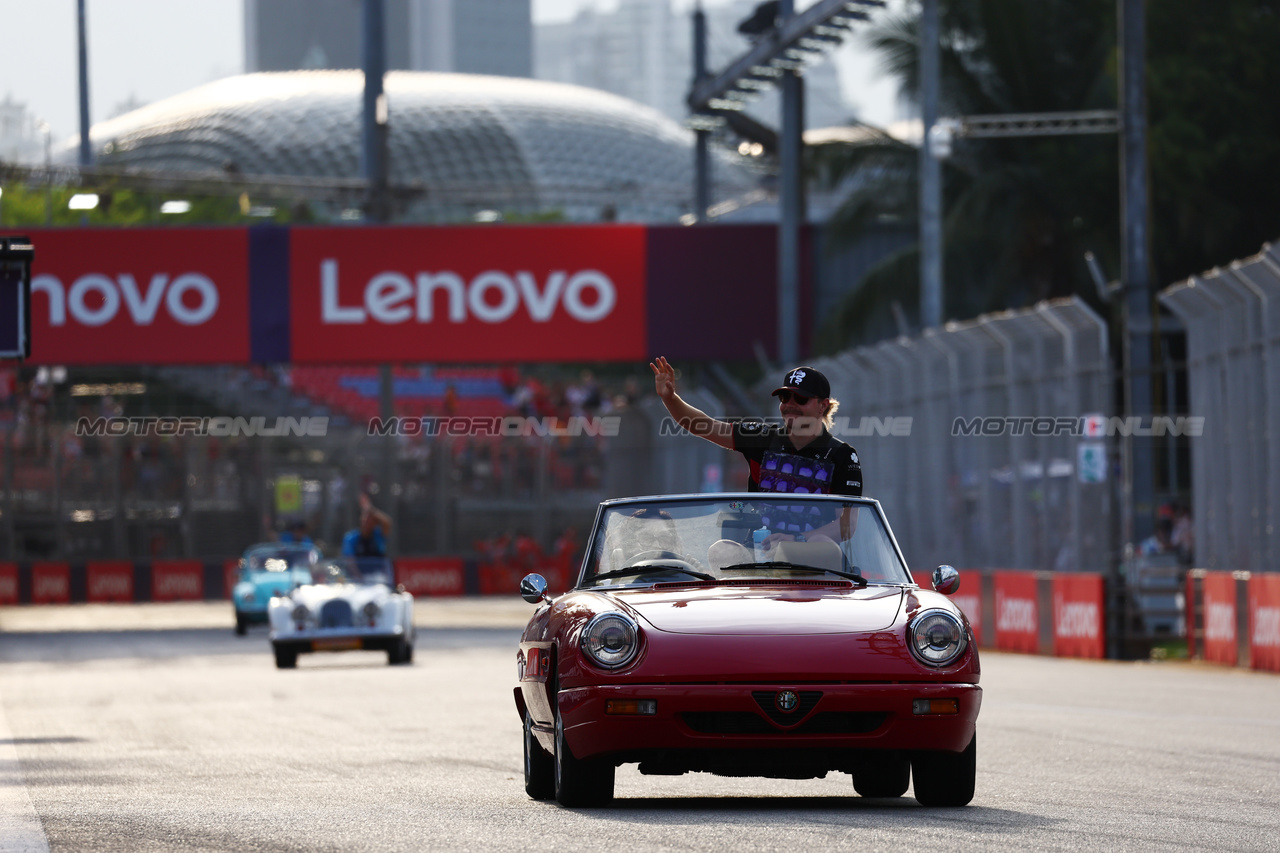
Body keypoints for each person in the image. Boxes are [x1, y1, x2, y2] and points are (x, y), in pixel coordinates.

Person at [650, 357, 862, 497]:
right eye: (785, 397)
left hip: (817, 555)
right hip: (760, 549)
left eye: (800, 398)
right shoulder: (762, 438)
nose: (790, 405)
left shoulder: (842, 456)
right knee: (721, 550)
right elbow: (702, 426)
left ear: (823, 405)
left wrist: (799, 540)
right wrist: (670, 398)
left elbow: (846, 526)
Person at [342, 492, 391, 557]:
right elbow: (350, 562)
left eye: (369, 521)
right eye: (364, 520)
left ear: (375, 523)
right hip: (360, 567)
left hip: (378, 567)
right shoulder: (351, 538)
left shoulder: (378, 535)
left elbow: (387, 522)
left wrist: (371, 509)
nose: (365, 523)